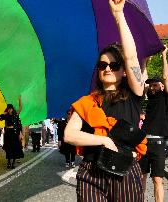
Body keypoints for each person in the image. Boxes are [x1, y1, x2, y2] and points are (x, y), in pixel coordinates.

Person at [64, 0, 147, 201]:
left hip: (125, 173)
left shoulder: (134, 94)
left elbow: (131, 57)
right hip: (91, 173)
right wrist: (104, 139)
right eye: (103, 65)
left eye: (114, 64)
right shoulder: (87, 101)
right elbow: (69, 135)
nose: (108, 68)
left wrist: (119, 16)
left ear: (124, 71)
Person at [139, 45, 168, 202]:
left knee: (158, 180)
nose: (152, 87)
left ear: (162, 86)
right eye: (151, 85)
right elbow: (143, 81)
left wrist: (164, 56)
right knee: (141, 178)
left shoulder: (165, 98)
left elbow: (165, 76)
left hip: (158, 143)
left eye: (155, 84)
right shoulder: (148, 98)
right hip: (144, 142)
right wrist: (145, 61)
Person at [0, 96, 23, 169]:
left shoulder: (15, 114)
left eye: (10, 108)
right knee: (8, 148)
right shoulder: (6, 115)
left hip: (14, 133)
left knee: (14, 147)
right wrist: (4, 114)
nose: (9, 110)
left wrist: (20, 100)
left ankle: (13, 163)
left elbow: (20, 108)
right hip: (8, 133)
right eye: (8, 109)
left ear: (12, 109)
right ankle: (9, 162)